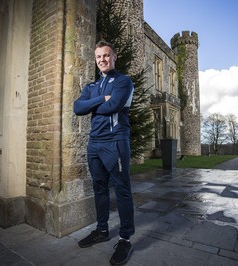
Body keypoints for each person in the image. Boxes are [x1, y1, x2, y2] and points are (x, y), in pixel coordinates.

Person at [73, 40, 135, 265]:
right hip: (94, 143)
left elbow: (114, 106)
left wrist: (92, 105)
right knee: (99, 187)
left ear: (114, 56)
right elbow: (77, 108)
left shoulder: (123, 81)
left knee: (122, 189)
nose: (102, 60)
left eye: (106, 55)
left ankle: (125, 239)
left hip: (115, 141)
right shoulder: (91, 86)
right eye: (99, 57)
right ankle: (102, 230)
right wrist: (100, 99)